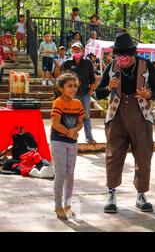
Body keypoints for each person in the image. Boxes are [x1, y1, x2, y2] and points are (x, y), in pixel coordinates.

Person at [95, 32, 155, 213]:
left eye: (124, 56)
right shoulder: (111, 67)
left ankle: (141, 195)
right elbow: (98, 93)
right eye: (118, 55)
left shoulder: (146, 65)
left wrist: (149, 95)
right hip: (116, 115)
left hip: (140, 115)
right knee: (113, 155)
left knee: (143, 155)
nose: (121, 59)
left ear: (132, 54)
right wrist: (109, 87)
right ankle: (111, 194)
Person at [50, 72, 84, 220]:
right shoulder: (58, 102)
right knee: (61, 174)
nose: (73, 89)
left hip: (72, 143)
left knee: (70, 175)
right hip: (58, 142)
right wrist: (68, 133)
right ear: (61, 87)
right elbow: (55, 123)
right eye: (69, 86)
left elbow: (80, 122)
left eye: (75, 86)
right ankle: (58, 206)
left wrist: (75, 131)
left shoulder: (78, 103)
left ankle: (67, 204)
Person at [62, 42, 96, 144]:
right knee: (70, 115)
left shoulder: (88, 62)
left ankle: (89, 137)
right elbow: (62, 78)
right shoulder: (67, 62)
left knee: (86, 115)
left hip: (85, 93)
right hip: (72, 94)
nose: (76, 51)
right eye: (73, 49)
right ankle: (69, 135)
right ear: (71, 51)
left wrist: (91, 91)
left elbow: (93, 79)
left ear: (82, 50)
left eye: (78, 49)